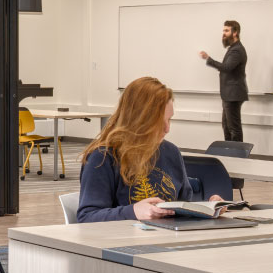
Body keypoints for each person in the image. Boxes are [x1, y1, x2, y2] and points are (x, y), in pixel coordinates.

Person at [75, 77, 228, 223]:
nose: (167, 129)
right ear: (139, 119)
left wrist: (207, 208)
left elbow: (184, 206)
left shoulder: (171, 152)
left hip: (167, 238)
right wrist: (133, 211)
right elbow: (87, 218)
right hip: (123, 239)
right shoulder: (102, 157)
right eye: (159, 121)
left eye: (169, 120)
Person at [199, 20, 248, 143]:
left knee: (234, 128)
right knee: (227, 126)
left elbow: (227, 67)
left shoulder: (237, 50)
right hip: (229, 94)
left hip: (233, 94)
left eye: (227, 30)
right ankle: (228, 150)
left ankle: (237, 153)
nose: (224, 33)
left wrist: (208, 59)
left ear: (235, 32)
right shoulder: (233, 48)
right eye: (223, 30)